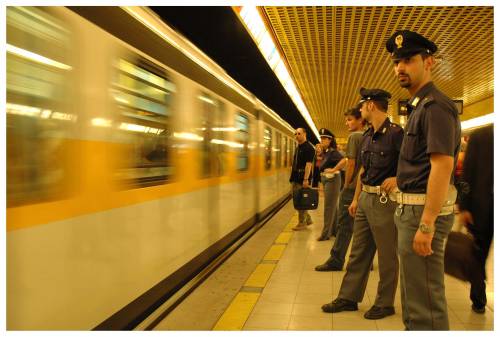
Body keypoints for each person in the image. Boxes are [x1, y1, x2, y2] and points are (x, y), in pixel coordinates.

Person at [386, 30, 461, 330]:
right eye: (396, 62)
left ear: (428, 62)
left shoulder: (435, 106)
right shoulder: (418, 106)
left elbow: (442, 166)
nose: (400, 67)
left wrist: (427, 224)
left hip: (421, 213)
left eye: (408, 60)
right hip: (411, 210)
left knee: (425, 301)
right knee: (414, 294)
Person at [321, 88, 403, 320]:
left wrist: (398, 178)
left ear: (371, 106)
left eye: (362, 105)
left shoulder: (397, 134)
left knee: (387, 255)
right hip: (366, 198)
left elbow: (411, 164)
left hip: (385, 200)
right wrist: (356, 198)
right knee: (358, 252)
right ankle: (348, 297)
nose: (360, 109)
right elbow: (363, 170)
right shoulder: (367, 136)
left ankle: (385, 303)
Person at [315, 105, 365, 271]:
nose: (347, 123)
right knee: (362, 226)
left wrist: (346, 185)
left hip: (352, 188)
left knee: (344, 225)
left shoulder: (354, 137)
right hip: (365, 188)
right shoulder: (369, 135)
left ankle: (336, 259)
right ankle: (365, 261)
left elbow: (350, 163)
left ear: (360, 120)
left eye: (350, 119)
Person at [457, 124, 493, 314]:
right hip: (482, 209)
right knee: (479, 254)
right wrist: (464, 206)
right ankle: (478, 296)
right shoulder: (481, 136)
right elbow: (467, 174)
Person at [317, 128, 344, 241]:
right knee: (333, 207)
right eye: (321, 138)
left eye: (324, 138)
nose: (322, 140)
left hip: (332, 180)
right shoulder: (327, 152)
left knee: (329, 207)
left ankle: (325, 234)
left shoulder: (333, 151)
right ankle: (335, 231)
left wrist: (333, 170)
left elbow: (344, 161)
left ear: (329, 140)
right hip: (327, 180)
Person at [289, 127, 316, 230]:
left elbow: (308, 165)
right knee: (298, 200)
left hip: (301, 178)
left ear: (305, 134)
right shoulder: (298, 147)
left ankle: (302, 223)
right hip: (295, 177)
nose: (297, 136)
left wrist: (306, 179)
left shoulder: (309, 148)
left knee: (300, 201)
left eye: (299, 133)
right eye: (295, 134)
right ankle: (308, 219)